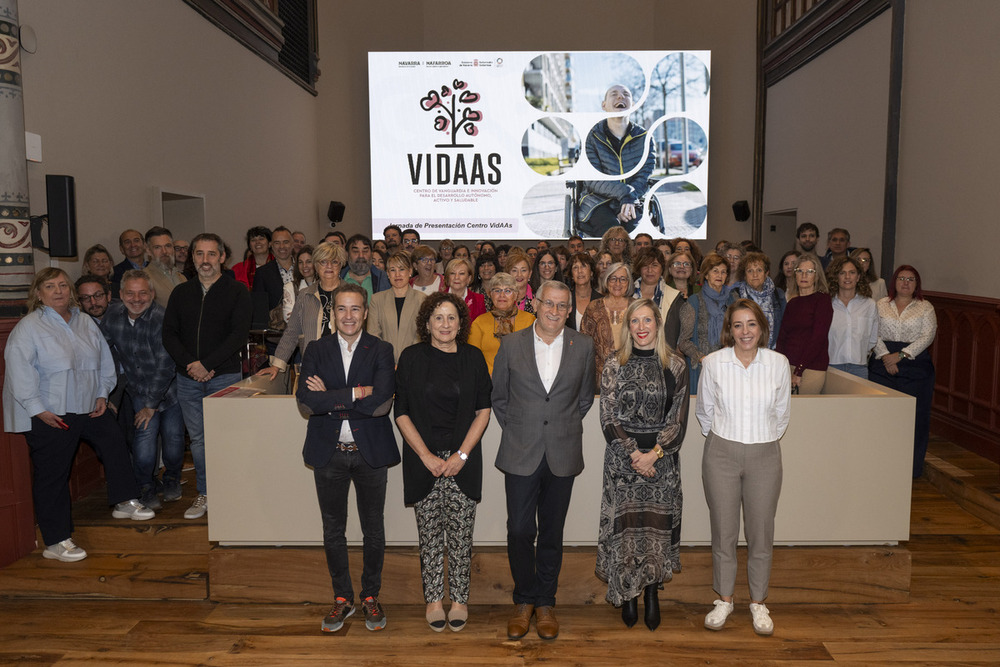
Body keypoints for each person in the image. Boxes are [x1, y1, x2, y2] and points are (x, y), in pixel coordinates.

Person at [3, 268, 154, 563]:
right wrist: (38, 410)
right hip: (50, 412)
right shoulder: (29, 327)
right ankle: (57, 541)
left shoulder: (84, 321)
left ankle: (124, 500)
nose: (58, 290)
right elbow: (19, 373)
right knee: (53, 475)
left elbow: (103, 362)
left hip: (88, 406)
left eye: (62, 285)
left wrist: (101, 394)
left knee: (114, 441)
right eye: (50, 286)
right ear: (38, 293)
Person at [492, 280, 596, 641]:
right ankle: (524, 600)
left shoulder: (583, 346)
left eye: (562, 306)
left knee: (552, 532)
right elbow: (500, 399)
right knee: (520, 530)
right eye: (548, 304)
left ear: (570, 310)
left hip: (562, 452)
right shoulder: (511, 344)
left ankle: (546, 601)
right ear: (535, 304)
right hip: (520, 450)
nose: (554, 311)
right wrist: (525, 429)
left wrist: (556, 429)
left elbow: (584, 400)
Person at [295, 283, 398, 634]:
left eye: (355, 309)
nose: (349, 316)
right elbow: (307, 403)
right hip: (329, 453)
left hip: (370, 454)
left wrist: (333, 397)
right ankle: (342, 598)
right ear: (333, 312)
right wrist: (357, 393)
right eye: (342, 309)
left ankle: (370, 596)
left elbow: (382, 403)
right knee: (333, 530)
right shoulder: (316, 349)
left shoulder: (381, 350)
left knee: (373, 529)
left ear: (365, 313)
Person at [395, 292, 492, 632]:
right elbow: (401, 412)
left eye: (452, 318)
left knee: (461, 537)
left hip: (463, 462)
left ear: (461, 323)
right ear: (427, 323)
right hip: (424, 462)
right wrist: (426, 457)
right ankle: (434, 600)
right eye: (438, 317)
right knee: (431, 536)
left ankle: (460, 599)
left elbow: (484, 410)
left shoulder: (473, 357)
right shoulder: (410, 358)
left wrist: (461, 455)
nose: (445, 324)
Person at [697, 299, 790, 636]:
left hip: (765, 453)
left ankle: (758, 602)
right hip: (721, 452)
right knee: (723, 531)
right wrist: (725, 440)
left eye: (751, 324)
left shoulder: (779, 363)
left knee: (760, 532)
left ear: (761, 327)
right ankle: (724, 599)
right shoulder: (714, 363)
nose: (745, 331)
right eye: (738, 325)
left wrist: (760, 439)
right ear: (729, 330)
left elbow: (781, 415)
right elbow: (705, 412)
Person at [596, 298, 689, 631]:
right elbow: (607, 415)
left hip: (661, 462)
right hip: (622, 463)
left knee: (655, 530)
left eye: (647, 320)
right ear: (628, 326)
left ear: (658, 324)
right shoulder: (613, 362)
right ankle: (628, 595)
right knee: (628, 529)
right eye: (634, 321)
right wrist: (634, 454)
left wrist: (654, 453)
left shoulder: (676, 364)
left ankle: (651, 593)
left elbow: (679, 418)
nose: (641, 327)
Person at [162, 233, 252, 520]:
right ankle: (206, 492)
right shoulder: (181, 292)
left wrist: (208, 364)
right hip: (188, 378)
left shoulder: (237, 291)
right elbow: (169, 334)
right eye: (199, 254)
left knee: (228, 437)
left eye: (211, 254)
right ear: (192, 257)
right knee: (199, 440)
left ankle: (233, 492)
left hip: (224, 375)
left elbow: (238, 335)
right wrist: (192, 364)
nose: (205, 260)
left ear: (222, 257)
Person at [100, 270, 186, 510]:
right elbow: (101, 350)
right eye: (130, 293)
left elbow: (165, 367)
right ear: (120, 294)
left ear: (152, 294)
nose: (136, 299)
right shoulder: (112, 316)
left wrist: (151, 406)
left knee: (174, 441)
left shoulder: (163, 319)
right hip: (138, 390)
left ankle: (171, 479)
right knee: (145, 442)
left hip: (170, 391)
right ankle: (146, 487)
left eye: (142, 293)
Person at [869, 265, 937, 478]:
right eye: (901, 278)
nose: (905, 282)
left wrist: (900, 356)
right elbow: (873, 332)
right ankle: (880, 466)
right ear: (894, 282)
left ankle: (911, 470)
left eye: (911, 279)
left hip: (915, 366)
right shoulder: (881, 304)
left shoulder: (926, 307)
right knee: (882, 418)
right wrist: (885, 356)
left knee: (916, 418)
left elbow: (927, 336)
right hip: (881, 363)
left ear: (917, 284)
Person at [257, 243, 349, 380]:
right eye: (323, 262)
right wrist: (277, 365)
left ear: (341, 265)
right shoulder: (305, 295)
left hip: (346, 365)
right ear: (316, 266)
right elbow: (292, 332)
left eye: (334, 262)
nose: (329, 266)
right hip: (313, 366)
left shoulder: (353, 293)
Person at [576, 85, 655, 237]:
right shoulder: (590, 137)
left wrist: (629, 199)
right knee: (612, 232)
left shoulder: (645, 138)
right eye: (614, 94)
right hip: (597, 202)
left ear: (633, 104)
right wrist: (625, 193)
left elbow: (644, 176)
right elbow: (593, 179)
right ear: (604, 105)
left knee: (635, 234)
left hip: (633, 200)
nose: (620, 97)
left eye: (626, 94)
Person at [776, 253, 833, 394]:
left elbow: (818, 338)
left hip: (811, 367)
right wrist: (780, 367)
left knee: (805, 412)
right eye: (800, 271)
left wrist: (799, 369)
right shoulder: (792, 302)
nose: (804, 275)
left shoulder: (823, 300)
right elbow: (782, 337)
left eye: (809, 272)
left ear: (817, 275)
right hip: (788, 365)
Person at [678, 254, 733, 392]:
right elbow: (684, 341)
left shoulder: (734, 301)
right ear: (706, 275)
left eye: (723, 271)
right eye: (715, 271)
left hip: (730, 367)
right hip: (703, 368)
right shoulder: (694, 302)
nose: (719, 275)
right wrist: (703, 359)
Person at [365, 251, 427, 364]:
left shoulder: (422, 299)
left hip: (415, 362)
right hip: (384, 363)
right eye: (393, 270)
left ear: (410, 271)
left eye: (402, 269)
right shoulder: (377, 299)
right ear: (387, 274)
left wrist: (407, 361)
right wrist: (387, 361)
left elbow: (422, 335)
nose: (397, 274)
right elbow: (373, 335)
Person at [469, 273, 535, 375]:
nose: (502, 295)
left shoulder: (529, 320)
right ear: (490, 294)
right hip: (488, 382)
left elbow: (534, 356)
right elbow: (472, 359)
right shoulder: (479, 322)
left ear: (516, 295)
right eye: (497, 290)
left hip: (522, 382)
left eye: (508, 291)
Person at [582, 262, 634, 392]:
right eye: (613, 278)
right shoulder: (593, 307)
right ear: (606, 280)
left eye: (623, 279)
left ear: (628, 282)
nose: (618, 283)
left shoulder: (637, 307)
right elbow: (584, 343)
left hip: (632, 376)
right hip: (599, 379)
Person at [827, 256, 878, 379]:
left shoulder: (869, 304)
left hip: (859, 367)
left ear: (859, 277)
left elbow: (872, 338)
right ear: (836, 277)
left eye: (852, 272)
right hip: (832, 365)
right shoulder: (827, 303)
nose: (847, 277)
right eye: (842, 273)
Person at [732, 252, 785, 349]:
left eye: (759, 270)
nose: (755, 275)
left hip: (773, 352)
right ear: (744, 275)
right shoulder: (735, 295)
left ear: (766, 273)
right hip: (745, 349)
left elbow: (785, 327)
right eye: (750, 271)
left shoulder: (778, 294)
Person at [631, 247, 683, 345]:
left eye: (655, 265)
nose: (650, 270)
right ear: (639, 268)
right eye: (645, 266)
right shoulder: (628, 294)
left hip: (664, 356)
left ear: (662, 268)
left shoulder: (675, 299)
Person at [253, 226, 296, 313]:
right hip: (275, 325)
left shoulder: (304, 269)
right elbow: (259, 308)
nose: (282, 246)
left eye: (286, 242)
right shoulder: (262, 273)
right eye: (277, 243)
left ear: (292, 244)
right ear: (271, 245)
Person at [144, 226, 187, 308]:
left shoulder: (182, 277)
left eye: (168, 246)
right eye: (157, 247)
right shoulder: (144, 277)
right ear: (148, 251)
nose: (164, 251)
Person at [342, 233, 390, 299]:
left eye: (365, 251)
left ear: (371, 254)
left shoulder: (386, 279)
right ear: (347, 254)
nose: (361, 256)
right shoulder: (338, 278)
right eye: (356, 251)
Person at [444, 257, 486, 321]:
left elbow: (482, 327)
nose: (456, 277)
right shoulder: (437, 300)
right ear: (447, 277)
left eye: (461, 273)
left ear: (469, 278)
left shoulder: (479, 300)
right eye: (452, 273)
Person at [567, 252, 600, 331]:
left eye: (583, 266)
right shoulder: (565, 299)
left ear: (591, 272)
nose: (579, 271)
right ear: (571, 275)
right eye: (575, 267)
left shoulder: (601, 300)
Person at [505, 248, 535, 314]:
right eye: (514, 270)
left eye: (523, 270)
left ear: (529, 274)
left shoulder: (538, 297)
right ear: (508, 273)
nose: (519, 275)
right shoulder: (501, 297)